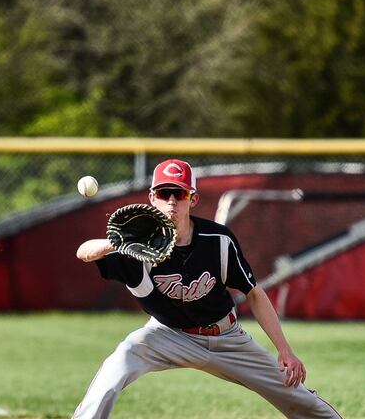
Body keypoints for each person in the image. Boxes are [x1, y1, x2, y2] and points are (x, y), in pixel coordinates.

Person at [73, 159, 341, 419]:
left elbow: (254, 293)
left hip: (226, 337)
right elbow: (83, 252)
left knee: (296, 395)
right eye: (164, 193)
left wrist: (285, 349)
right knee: (118, 363)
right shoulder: (135, 249)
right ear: (152, 198)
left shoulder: (218, 241)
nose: (171, 201)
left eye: (179, 194)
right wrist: (116, 243)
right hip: (166, 335)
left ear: (193, 199)